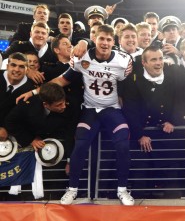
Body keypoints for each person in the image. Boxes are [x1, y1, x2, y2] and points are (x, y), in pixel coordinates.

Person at [17, 24, 134, 206]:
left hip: (111, 109)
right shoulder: (82, 57)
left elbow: (129, 88)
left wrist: (122, 99)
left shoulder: (123, 60)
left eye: (109, 39)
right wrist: (34, 92)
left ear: (114, 41)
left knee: (123, 143)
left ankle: (122, 189)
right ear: (95, 39)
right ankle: (72, 189)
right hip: (89, 109)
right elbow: (61, 80)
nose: (105, 43)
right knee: (80, 144)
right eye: (101, 38)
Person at [122, 46, 177, 151]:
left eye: (161, 58)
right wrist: (139, 135)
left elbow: (181, 101)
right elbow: (131, 110)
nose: (159, 63)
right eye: (153, 59)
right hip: (142, 135)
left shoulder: (173, 74)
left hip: (167, 131)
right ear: (144, 63)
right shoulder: (133, 80)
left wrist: (172, 121)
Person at [4, 82, 77, 155]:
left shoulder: (71, 106)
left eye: (63, 102)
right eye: (59, 105)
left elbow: (70, 132)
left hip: (56, 143)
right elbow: (10, 121)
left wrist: (69, 158)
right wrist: (31, 140)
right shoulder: (28, 105)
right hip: (28, 141)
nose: (63, 106)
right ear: (45, 104)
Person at [0, 52, 35, 140]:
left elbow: (24, 118)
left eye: (21, 66)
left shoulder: (30, 90)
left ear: (27, 70)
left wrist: (6, 129)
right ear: (7, 66)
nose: (17, 69)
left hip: (12, 136)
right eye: (13, 65)